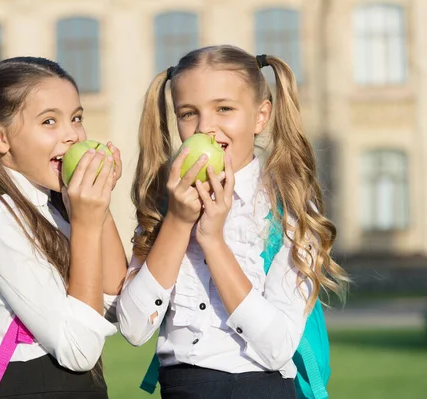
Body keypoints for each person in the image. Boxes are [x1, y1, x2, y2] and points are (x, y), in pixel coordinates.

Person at [117, 45, 349, 398]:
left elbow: (277, 349)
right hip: (183, 388)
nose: (206, 128)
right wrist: (179, 223)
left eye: (224, 109)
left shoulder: (288, 209)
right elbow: (134, 329)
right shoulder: (163, 204)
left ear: (260, 116)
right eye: (188, 113)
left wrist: (213, 242)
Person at [0, 56, 127, 398]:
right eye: (49, 121)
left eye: (76, 118)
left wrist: (99, 209)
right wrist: (87, 226)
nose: (72, 135)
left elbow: (113, 302)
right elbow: (80, 351)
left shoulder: (49, 205)